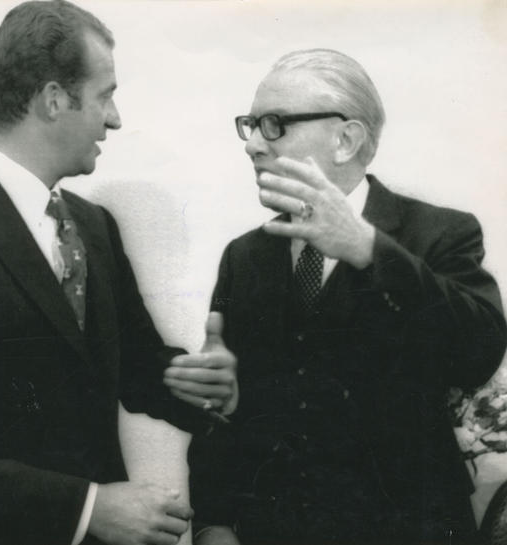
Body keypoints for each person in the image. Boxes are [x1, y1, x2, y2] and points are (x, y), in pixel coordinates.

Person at [0, 2, 237, 545]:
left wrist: (206, 386)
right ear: (54, 99)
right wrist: (85, 509)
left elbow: (136, 367)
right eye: (105, 95)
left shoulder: (94, 226)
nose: (115, 118)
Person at [186, 48, 507, 545]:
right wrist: (213, 524)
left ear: (346, 140)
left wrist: (368, 250)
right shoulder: (245, 257)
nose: (252, 144)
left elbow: (476, 353)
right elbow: (222, 409)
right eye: (249, 125)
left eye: (273, 124)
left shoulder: (438, 233)